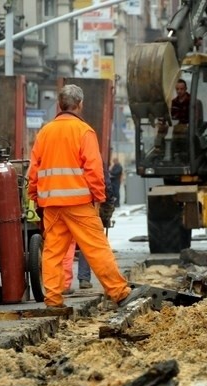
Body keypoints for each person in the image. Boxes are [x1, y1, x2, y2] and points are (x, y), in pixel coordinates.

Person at [27, 84, 149, 309]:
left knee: (53, 252)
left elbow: (34, 169)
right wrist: (99, 197)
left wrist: (34, 195)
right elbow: (93, 169)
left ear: (59, 105)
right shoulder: (84, 131)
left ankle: (53, 299)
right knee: (96, 247)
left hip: (52, 204)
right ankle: (119, 292)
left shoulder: (44, 132)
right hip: (78, 204)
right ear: (80, 105)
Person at [62, 165, 116, 294]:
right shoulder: (90, 155)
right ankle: (86, 279)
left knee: (66, 245)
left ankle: (63, 284)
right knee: (89, 243)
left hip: (64, 204)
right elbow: (104, 184)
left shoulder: (66, 157)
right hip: (88, 206)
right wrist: (106, 208)